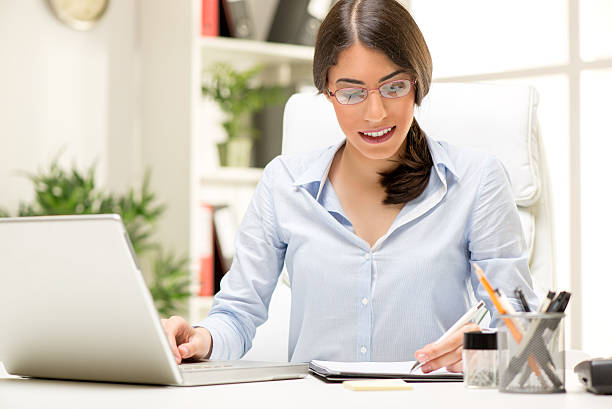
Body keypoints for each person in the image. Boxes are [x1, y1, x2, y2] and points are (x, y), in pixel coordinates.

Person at [162, 0, 538, 373]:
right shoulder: (284, 184)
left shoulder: (477, 181)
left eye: (393, 86)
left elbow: (525, 330)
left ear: (418, 82)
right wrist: (201, 339)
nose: (375, 113)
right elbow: (238, 312)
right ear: (327, 90)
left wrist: (484, 345)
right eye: (352, 92)